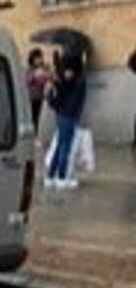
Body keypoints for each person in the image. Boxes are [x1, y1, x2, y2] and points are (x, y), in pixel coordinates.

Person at [45, 54, 87, 189]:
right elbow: (78, 99)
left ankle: (50, 176)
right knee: (65, 148)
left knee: (59, 146)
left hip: (62, 115)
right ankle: (62, 178)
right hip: (68, 116)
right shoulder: (77, 82)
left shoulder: (61, 80)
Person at [26, 48, 51, 135]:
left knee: (36, 117)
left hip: (39, 97)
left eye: (40, 57)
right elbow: (27, 80)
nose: (39, 60)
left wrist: (46, 73)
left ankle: (35, 135)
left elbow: (48, 79)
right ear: (32, 59)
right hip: (30, 97)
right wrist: (34, 75)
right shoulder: (29, 69)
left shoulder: (44, 67)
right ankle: (31, 135)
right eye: (37, 58)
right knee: (30, 117)